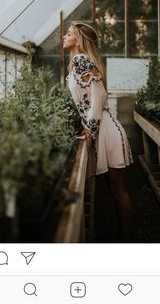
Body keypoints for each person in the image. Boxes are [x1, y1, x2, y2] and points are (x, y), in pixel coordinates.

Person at [63, 21, 133, 240]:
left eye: (69, 33)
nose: (64, 36)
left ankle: (130, 242)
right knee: (115, 192)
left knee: (119, 192)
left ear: (79, 39)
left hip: (106, 131)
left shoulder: (81, 59)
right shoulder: (77, 62)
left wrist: (91, 130)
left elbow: (99, 96)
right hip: (101, 128)